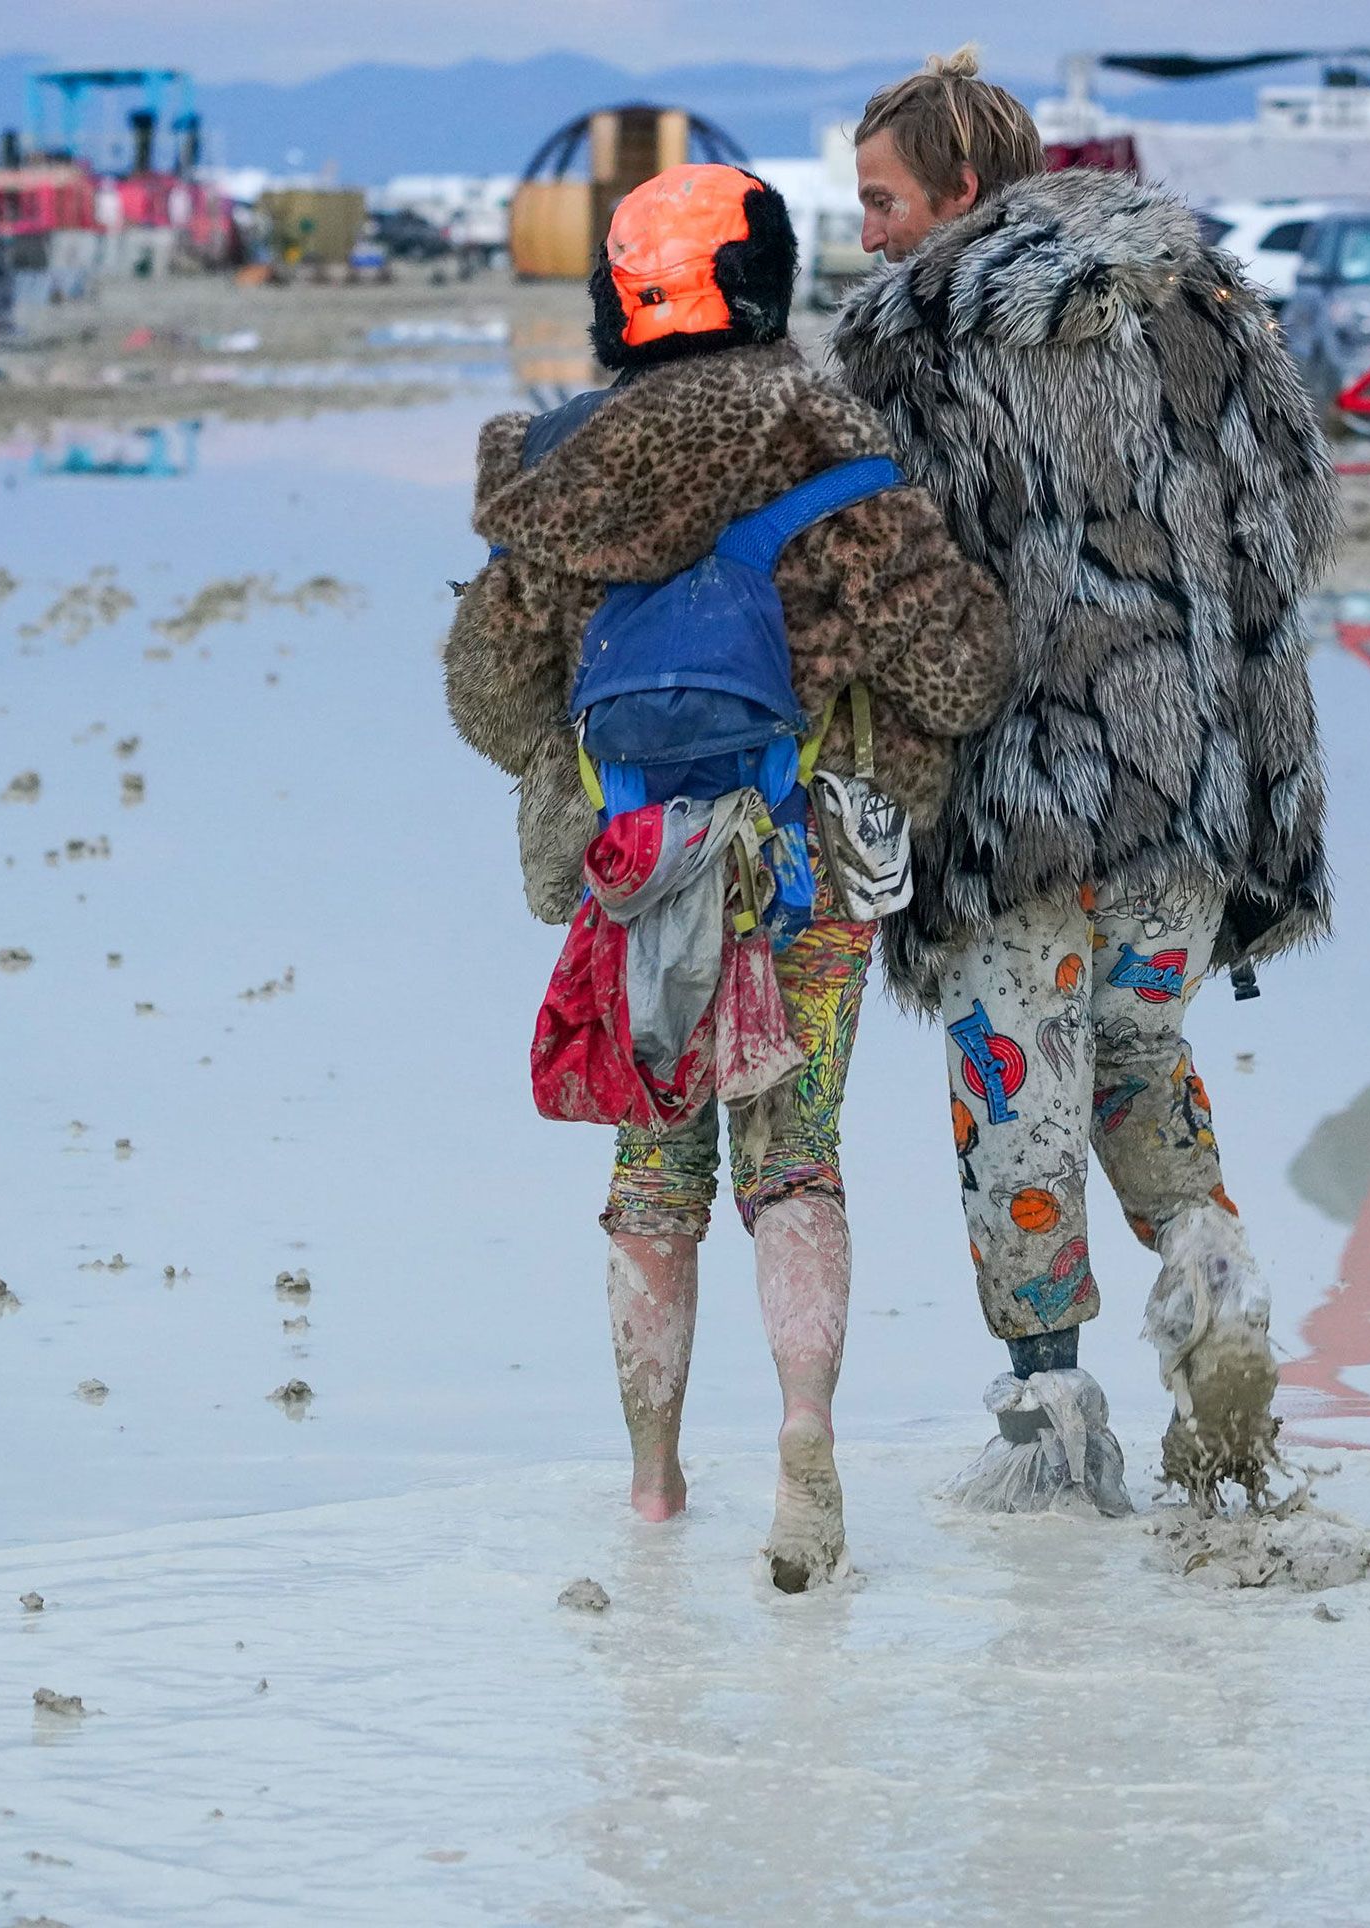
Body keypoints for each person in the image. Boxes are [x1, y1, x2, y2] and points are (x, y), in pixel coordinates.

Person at [445, 163, 1010, 1590]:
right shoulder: (832, 444)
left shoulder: (555, 467)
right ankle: (806, 1443)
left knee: (653, 1175)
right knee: (796, 1157)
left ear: (617, 298)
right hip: (802, 866)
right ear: (761, 283)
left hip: (629, 874)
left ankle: (649, 1489)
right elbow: (960, 665)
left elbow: (488, 698)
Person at [831, 52, 1339, 1506]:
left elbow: (896, 598)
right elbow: (1291, 518)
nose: (866, 234)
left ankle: (1052, 1420)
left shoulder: (917, 342)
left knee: (1018, 1096)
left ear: (962, 190)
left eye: (881, 200)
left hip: (1016, 798)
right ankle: (1216, 1282)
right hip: (1196, 786)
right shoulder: (1207, 304)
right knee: (1137, 1058)